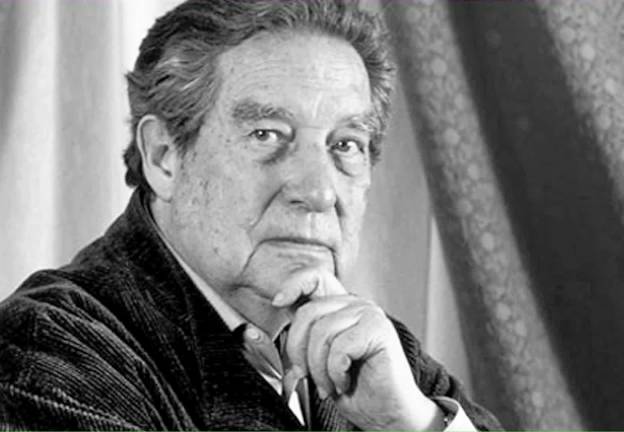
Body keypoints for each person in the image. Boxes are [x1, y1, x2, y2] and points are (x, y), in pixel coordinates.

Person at [0, 0, 500, 430]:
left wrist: (417, 423)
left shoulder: (381, 354)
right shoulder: (45, 351)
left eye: (345, 144)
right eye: (267, 135)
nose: (318, 192)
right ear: (163, 156)